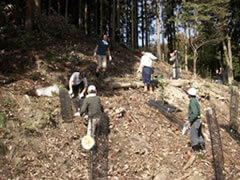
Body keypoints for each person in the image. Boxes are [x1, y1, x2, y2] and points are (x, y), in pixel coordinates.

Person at [187, 88, 205, 152]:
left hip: (195, 121)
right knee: (199, 134)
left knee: (194, 135)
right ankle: (203, 148)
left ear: (189, 94)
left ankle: (196, 150)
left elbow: (195, 113)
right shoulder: (195, 100)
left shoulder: (192, 102)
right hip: (198, 120)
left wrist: (190, 120)